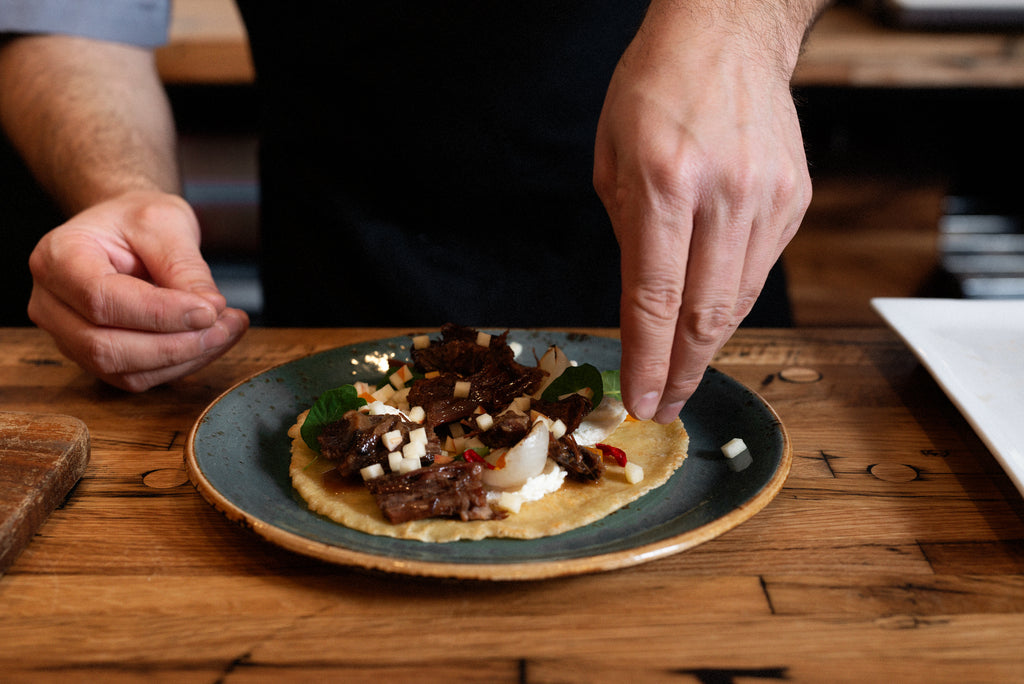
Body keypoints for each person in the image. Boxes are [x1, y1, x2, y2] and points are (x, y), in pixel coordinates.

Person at [0, 0, 823, 424]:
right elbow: (73, 20)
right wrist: (119, 191)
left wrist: (735, 27)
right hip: (333, 296)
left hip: (697, 264)